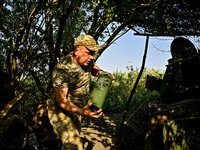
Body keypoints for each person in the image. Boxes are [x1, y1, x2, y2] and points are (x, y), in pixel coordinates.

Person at [48, 34, 115, 150]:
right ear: (76, 50)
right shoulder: (63, 69)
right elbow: (61, 100)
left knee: (68, 145)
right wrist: (82, 112)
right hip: (60, 112)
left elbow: (93, 68)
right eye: (88, 53)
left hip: (76, 111)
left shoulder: (86, 62)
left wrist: (101, 73)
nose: (91, 57)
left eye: (93, 54)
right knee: (75, 146)